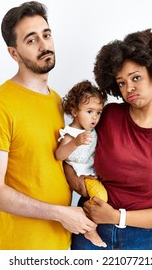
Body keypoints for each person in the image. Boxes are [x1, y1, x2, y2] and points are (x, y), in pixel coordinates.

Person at [0, 1, 96, 250]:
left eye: (46, 35)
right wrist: (60, 213)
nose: (44, 45)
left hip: (63, 242)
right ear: (14, 53)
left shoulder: (55, 100)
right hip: (25, 248)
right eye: (31, 40)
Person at [64, 28, 152, 250]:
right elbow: (69, 149)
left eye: (136, 78)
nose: (129, 88)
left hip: (145, 240)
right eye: (121, 83)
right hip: (91, 229)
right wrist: (75, 181)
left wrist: (117, 217)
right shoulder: (106, 116)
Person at [55, 80, 108, 248]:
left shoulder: (91, 131)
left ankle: (87, 216)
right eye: (89, 111)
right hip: (78, 173)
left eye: (98, 112)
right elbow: (59, 155)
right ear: (74, 112)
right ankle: (89, 227)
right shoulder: (71, 134)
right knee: (101, 197)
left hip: (90, 172)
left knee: (102, 196)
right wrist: (75, 143)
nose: (95, 117)